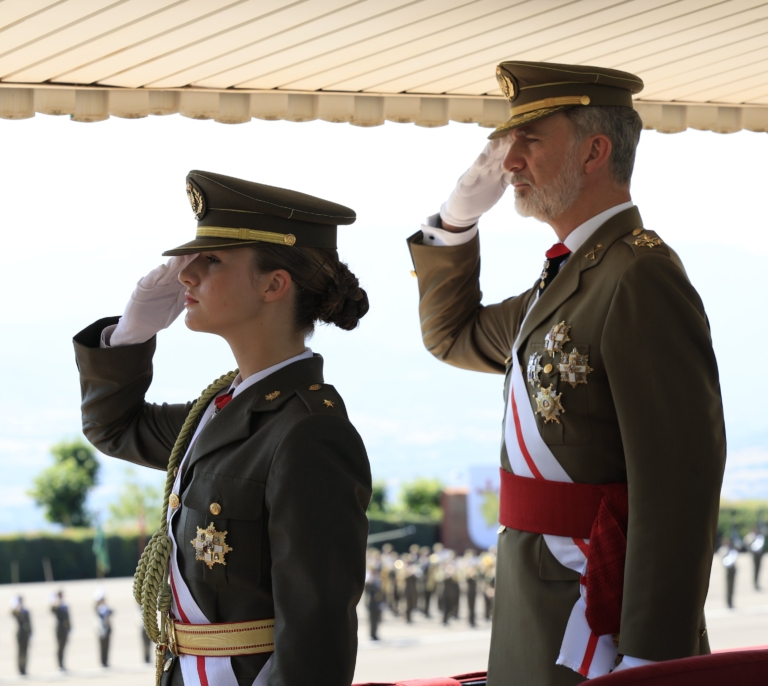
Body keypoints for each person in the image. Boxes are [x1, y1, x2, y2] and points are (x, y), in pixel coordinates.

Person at [407, 61, 725, 684]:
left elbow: (678, 482)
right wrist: (455, 221)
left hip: (595, 611)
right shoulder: (569, 278)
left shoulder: (640, 276)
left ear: (594, 152)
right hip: (542, 592)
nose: (509, 163)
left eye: (530, 141)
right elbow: (452, 335)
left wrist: (652, 652)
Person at [73, 171, 372, 686]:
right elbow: (113, 426)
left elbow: (315, 638)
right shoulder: (220, 409)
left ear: (274, 284)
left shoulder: (307, 431)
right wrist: (132, 331)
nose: (186, 276)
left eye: (211, 261)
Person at [11, 595, 32, 676]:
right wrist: (17, 606)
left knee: (26, 652)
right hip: (20, 634)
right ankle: (20, 670)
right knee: (20, 652)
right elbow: (13, 614)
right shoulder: (16, 610)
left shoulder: (26, 611)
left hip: (26, 634)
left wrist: (31, 633)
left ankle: (24, 669)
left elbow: (30, 623)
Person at [50, 590, 71, 672]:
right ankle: (59, 665)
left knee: (64, 647)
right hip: (59, 629)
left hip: (65, 629)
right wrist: (56, 601)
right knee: (59, 647)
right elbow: (52, 610)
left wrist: (70, 627)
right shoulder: (56, 605)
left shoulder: (65, 605)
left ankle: (63, 664)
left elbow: (68, 617)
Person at [94, 591, 113, 667]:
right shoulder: (97, 608)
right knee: (101, 646)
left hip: (107, 629)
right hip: (101, 629)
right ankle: (102, 662)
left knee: (107, 646)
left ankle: (106, 661)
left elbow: (112, 612)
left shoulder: (106, 607)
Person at [720, 538, 739, 609]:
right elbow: (724, 559)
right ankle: (728, 603)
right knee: (728, 587)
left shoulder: (732, 549)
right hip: (728, 570)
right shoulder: (723, 549)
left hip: (733, 570)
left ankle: (731, 602)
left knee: (732, 587)